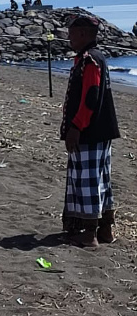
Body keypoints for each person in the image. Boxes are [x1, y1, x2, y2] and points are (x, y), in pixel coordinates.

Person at [60, 15, 120, 248]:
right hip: (99, 131)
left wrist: (76, 127)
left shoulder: (90, 60)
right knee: (101, 178)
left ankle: (90, 233)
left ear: (83, 34)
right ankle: (105, 229)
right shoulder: (92, 59)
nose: (69, 38)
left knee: (88, 180)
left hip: (90, 132)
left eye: (72, 34)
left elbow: (91, 97)